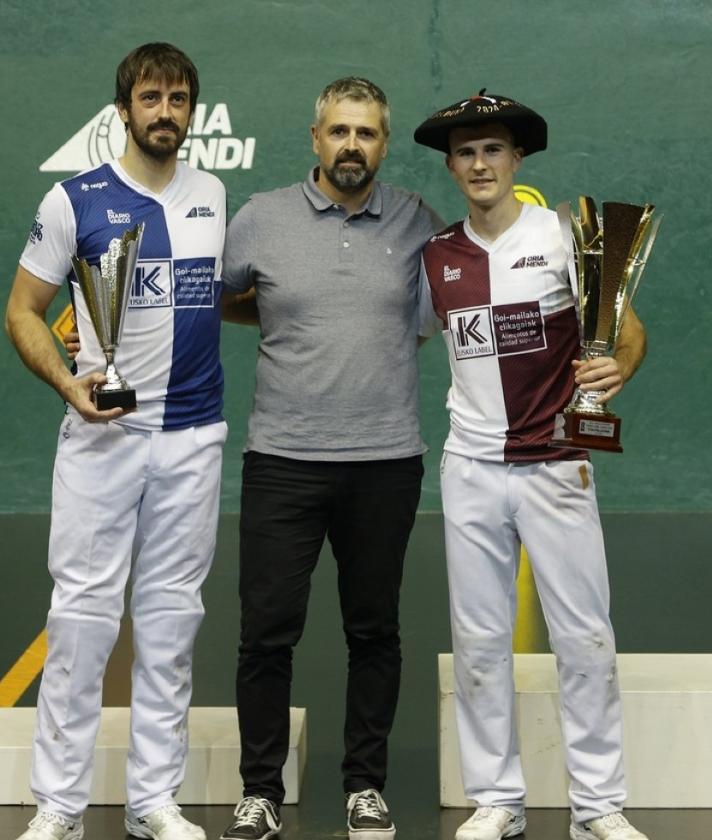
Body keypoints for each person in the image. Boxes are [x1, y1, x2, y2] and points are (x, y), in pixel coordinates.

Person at [4, 42, 228, 840]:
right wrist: (70, 383)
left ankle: (153, 801)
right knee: (82, 619)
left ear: (190, 112)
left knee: (171, 620)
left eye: (177, 99)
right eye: (150, 97)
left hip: (195, 436)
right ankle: (58, 806)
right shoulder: (75, 202)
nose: (164, 112)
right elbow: (23, 310)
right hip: (103, 438)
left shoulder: (213, 195)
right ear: (123, 110)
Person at [412, 92, 650, 840]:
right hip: (471, 469)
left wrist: (618, 371)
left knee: (584, 637)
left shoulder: (564, 237)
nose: (479, 164)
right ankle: (497, 800)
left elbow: (628, 334)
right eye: (466, 153)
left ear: (517, 161)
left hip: (557, 466)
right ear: (451, 167)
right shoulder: (437, 256)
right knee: (479, 640)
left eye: (493, 150)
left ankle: (599, 806)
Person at [216, 77, 442, 840]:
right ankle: (259, 792)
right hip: (282, 459)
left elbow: (429, 317)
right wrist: (286, 318)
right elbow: (221, 295)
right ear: (315, 138)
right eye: (339, 131)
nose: (352, 145)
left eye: (368, 133)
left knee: (373, 629)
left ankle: (365, 787)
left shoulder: (417, 221)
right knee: (266, 632)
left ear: (383, 141)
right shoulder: (261, 219)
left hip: (385, 461)